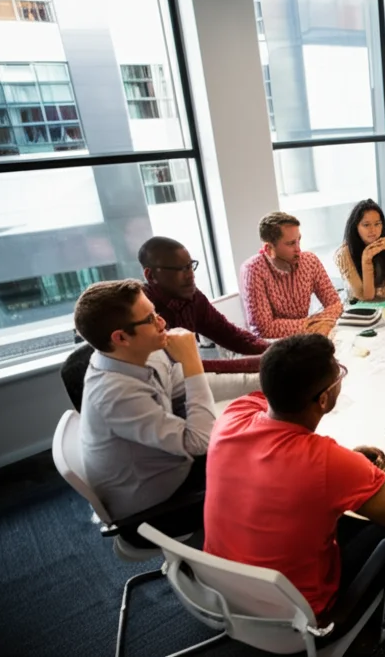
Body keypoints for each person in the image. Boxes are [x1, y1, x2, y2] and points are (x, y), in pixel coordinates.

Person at [203, 334, 385, 622]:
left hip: (222, 592)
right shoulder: (326, 461)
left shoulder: (233, 415)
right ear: (323, 399)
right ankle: (371, 626)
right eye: (339, 377)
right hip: (297, 617)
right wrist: (367, 472)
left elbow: (279, 444)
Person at [74, 279, 215, 543]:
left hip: (165, 462)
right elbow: (199, 442)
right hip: (153, 508)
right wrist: (192, 360)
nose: (162, 322)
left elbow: (186, 390)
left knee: (247, 431)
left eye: (155, 311)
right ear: (121, 337)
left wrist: (260, 381)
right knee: (259, 471)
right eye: (150, 318)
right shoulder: (115, 394)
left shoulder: (139, 352)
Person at [140, 236, 269, 374]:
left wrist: (277, 349)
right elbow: (175, 368)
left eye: (190, 266)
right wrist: (258, 362)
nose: (191, 275)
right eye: (181, 269)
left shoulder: (193, 298)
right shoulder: (140, 309)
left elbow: (230, 335)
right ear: (151, 275)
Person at [239, 212, 343, 338]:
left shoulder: (310, 261)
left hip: (305, 338)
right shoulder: (253, 269)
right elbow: (264, 329)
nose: (298, 249)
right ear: (269, 249)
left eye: (299, 240)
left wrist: (316, 324)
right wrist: (311, 324)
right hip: (273, 347)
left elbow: (335, 304)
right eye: (290, 243)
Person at [333, 199, 385, 302]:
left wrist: (377, 292)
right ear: (356, 227)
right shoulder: (344, 253)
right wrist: (366, 261)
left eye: (377, 224)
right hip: (358, 310)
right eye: (366, 225)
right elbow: (364, 296)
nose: (373, 230)